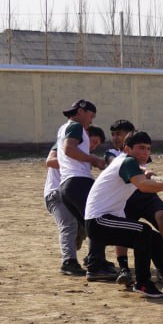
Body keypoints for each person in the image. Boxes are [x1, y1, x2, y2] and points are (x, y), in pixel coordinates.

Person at [83, 130, 163, 298]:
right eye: (141, 148)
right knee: (143, 231)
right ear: (127, 149)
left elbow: (139, 179)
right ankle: (142, 283)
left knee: (155, 238)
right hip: (98, 222)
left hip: (104, 221)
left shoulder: (128, 163)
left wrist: (144, 174)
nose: (145, 152)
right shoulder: (127, 161)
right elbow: (143, 186)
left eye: (148, 149)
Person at [107, 119, 163, 285]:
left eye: (120, 134)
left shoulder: (139, 151)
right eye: (113, 134)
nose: (116, 138)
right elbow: (124, 166)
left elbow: (142, 166)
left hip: (146, 196)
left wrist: (146, 171)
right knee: (124, 226)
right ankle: (124, 267)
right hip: (127, 198)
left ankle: (162, 266)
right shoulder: (113, 154)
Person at [55, 99, 115, 281]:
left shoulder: (63, 128)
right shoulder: (76, 127)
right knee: (97, 223)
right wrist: (94, 160)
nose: (91, 121)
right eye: (91, 116)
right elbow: (69, 149)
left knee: (90, 225)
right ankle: (96, 266)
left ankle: (97, 261)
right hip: (78, 181)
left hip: (66, 185)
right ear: (81, 111)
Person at [44, 145, 85, 276]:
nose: (94, 145)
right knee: (68, 225)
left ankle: (95, 258)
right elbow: (50, 161)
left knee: (91, 222)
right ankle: (69, 262)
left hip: (74, 193)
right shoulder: (63, 143)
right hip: (56, 194)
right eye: (93, 141)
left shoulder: (85, 150)